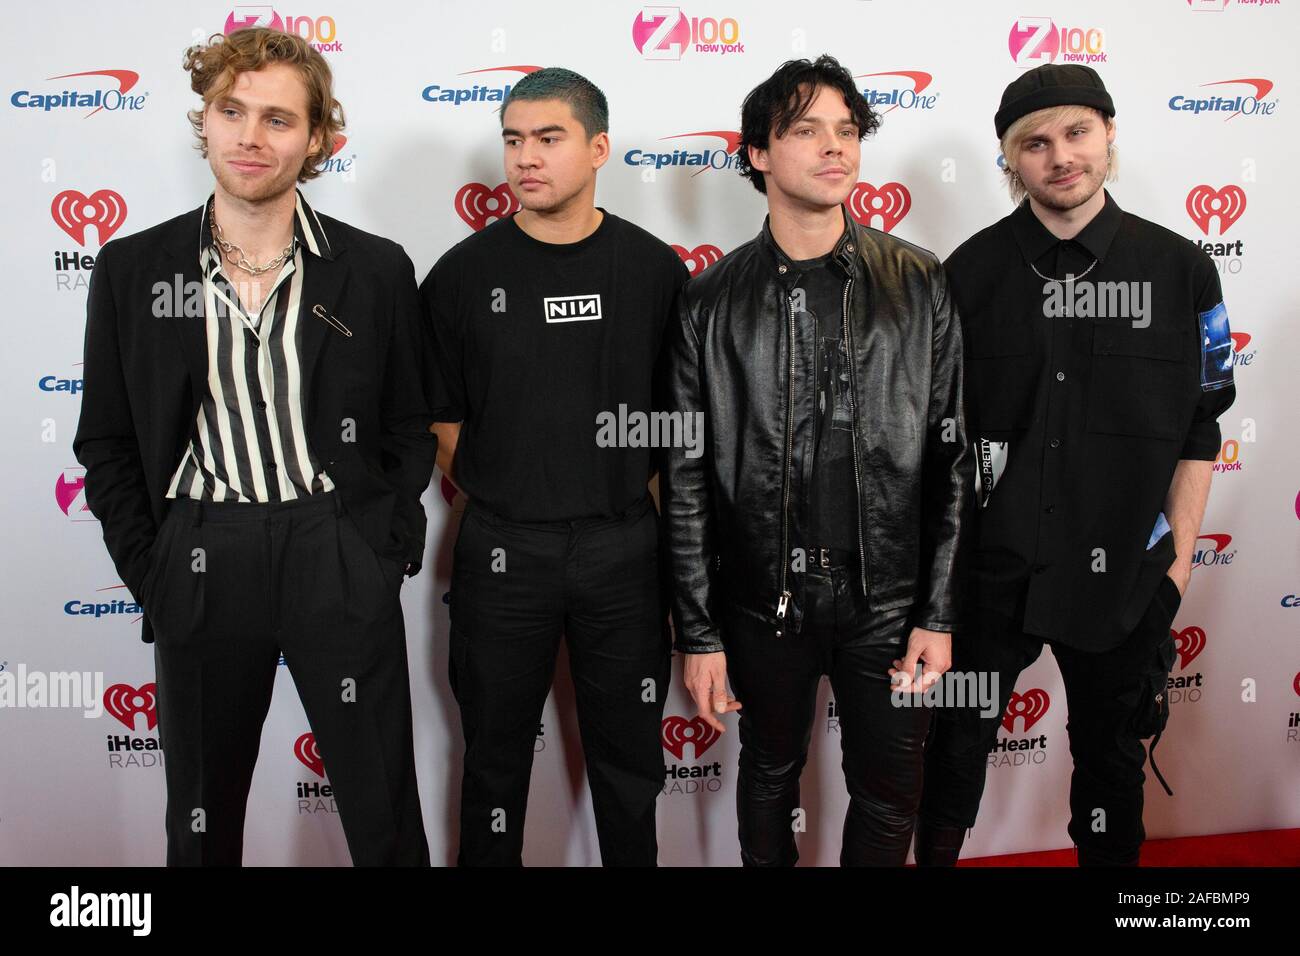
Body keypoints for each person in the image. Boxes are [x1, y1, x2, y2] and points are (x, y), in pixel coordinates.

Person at [73, 27, 435, 866]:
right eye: (230, 110)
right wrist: (154, 566)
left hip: (334, 546)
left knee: (383, 813)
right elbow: (108, 439)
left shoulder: (373, 270)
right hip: (203, 553)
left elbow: (409, 425)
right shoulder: (134, 268)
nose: (248, 135)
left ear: (316, 140)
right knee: (199, 820)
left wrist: (379, 549)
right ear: (202, 121)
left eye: (278, 119)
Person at [915, 64, 1237, 866]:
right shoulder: (968, 274)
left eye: (1077, 133)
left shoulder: (1182, 271)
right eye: (1035, 143)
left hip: (1126, 582)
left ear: (1109, 135)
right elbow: (940, 439)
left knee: (1111, 771)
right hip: (990, 582)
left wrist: (1176, 572)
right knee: (952, 761)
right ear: (1010, 162)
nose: (1060, 156)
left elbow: (1202, 426)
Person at [662, 54, 972, 866]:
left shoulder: (918, 281)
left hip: (891, 600)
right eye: (806, 131)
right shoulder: (711, 299)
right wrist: (697, 630)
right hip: (764, 599)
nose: (835, 148)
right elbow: (688, 477)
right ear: (759, 154)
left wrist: (937, 611)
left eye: (847, 130)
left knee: (889, 788)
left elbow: (950, 454)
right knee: (768, 774)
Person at [420, 67, 690, 866]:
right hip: (502, 550)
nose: (525, 158)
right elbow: (439, 413)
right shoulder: (463, 274)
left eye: (548, 138)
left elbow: (679, 421)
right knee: (494, 761)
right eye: (512, 140)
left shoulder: (653, 271)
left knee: (631, 763)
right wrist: (510, 479)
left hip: (624, 551)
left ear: (598, 147)